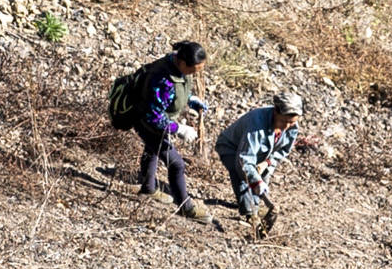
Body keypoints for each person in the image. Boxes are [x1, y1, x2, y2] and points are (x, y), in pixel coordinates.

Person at [117, 38, 210, 218]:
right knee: (176, 164)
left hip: (151, 119)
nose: (194, 74)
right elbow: (154, 117)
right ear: (183, 62)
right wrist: (179, 129)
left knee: (152, 150)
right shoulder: (161, 79)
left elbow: (178, 89)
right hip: (145, 121)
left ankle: (148, 188)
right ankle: (185, 206)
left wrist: (190, 99)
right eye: (193, 70)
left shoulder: (177, 67)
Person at [216, 89, 304, 232]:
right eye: (284, 121)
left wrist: (267, 163)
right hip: (231, 148)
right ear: (275, 111)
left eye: (291, 122)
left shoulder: (291, 126)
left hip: (262, 155)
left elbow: (282, 151)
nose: (287, 126)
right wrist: (255, 181)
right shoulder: (256, 124)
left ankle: (255, 205)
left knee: (264, 177)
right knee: (243, 178)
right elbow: (244, 160)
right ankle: (250, 213)